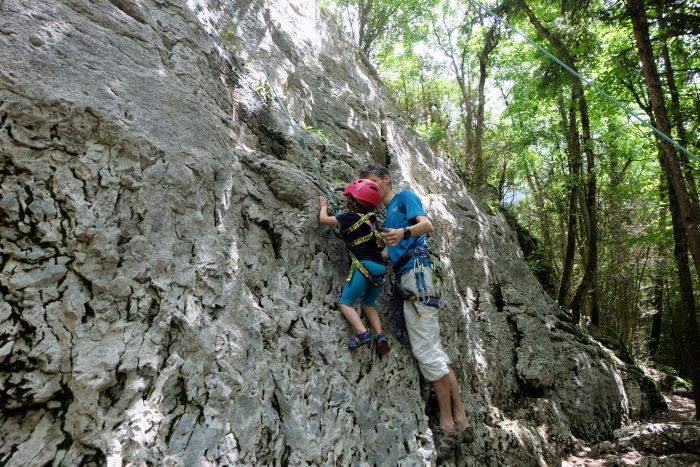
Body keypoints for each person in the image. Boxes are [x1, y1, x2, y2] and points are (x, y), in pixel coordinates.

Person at [360, 164, 473, 440]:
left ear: (386, 179)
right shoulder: (388, 219)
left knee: (426, 352)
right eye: (367, 184)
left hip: (418, 273)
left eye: (374, 181)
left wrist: (404, 233)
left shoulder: (405, 197)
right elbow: (388, 253)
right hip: (410, 274)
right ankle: (462, 420)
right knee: (435, 351)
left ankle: (446, 424)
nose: (372, 187)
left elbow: (427, 224)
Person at [319, 179, 391, 358]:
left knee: (346, 303)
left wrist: (323, 206)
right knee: (369, 304)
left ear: (352, 201)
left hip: (364, 266)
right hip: (380, 270)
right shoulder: (371, 222)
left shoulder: (349, 217)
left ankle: (362, 332)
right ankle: (380, 336)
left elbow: (324, 220)